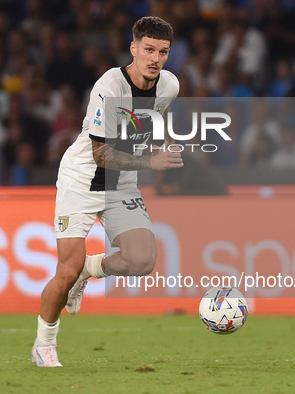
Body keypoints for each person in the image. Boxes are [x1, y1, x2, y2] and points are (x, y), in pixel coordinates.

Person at [32, 16, 182, 367]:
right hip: (83, 179)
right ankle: (44, 343)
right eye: (148, 50)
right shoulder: (109, 87)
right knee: (65, 271)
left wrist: (164, 140)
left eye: (163, 52)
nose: (155, 58)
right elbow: (101, 155)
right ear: (133, 49)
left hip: (121, 182)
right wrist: (152, 163)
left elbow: (159, 113)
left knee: (142, 260)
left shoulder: (169, 84)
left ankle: (91, 268)